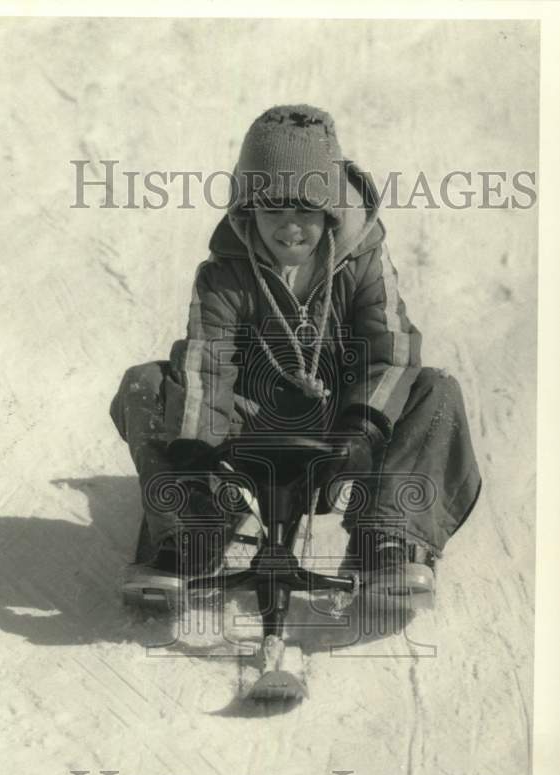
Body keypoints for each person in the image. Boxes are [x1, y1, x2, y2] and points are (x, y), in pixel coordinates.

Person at [110, 105, 481, 601]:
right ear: (248, 214)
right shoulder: (224, 274)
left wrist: (363, 427)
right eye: (273, 211)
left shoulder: (363, 261)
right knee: (148, 384)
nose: (289, 229)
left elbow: (391, 352)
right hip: (246, 434)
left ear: (329, 214)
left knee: (436, 390)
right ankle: (192, 531)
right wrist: (200, 451)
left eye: (305, 211)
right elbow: (208, 360)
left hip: (342, 431)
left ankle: (388, 538)